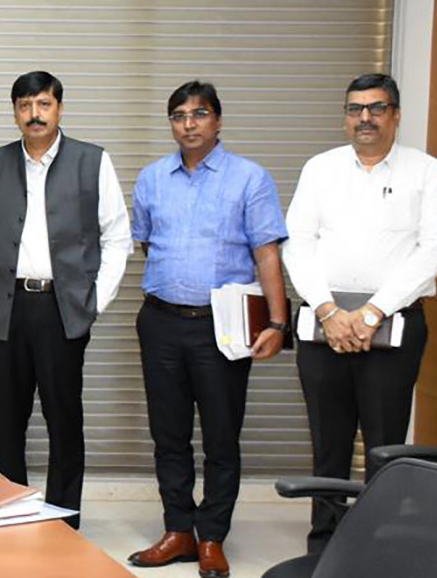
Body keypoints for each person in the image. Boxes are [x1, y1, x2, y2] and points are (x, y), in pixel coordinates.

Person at [283, 72, 437, 553]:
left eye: (376, 108)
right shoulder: (320, 169)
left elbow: (434, 250)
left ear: (395, 115)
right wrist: (328, 310)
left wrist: (372, 312)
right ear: (345, 117)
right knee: (328, 443)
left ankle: (376, 548)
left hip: (394, 324)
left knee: (385, 446)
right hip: (325, 325)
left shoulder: (427, 173)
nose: (365, 118)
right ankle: (324, 545)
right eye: (355, 109)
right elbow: (297, 243)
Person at [125, 81, 289, 578]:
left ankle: (212, 535)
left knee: (221, 436)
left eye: (199, 114)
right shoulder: (153, 178)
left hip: (223, 327)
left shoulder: (249, 178)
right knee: (168, 433)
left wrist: (278, 322)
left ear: (217, 120)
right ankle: (178, 530)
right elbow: (147, 243)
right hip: (161, 322)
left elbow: (266, 253)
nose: (189, 124)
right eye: (179, 116)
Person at [0, 70, 130, 527]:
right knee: (6, 421)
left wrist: (93, 302)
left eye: (43, 104)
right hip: (5, 307)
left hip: (63, 308)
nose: (34, 114)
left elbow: (117, 236)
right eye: (25, 105)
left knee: (64, 419)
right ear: (14, 112)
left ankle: (64, 520)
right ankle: (10, 512)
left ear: (59, 108)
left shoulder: (92, 160)